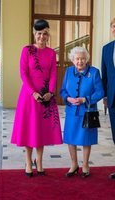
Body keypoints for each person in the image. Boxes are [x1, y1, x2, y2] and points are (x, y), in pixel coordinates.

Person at [11, 19, 62, 177]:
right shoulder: (26, 50)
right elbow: (23, 74)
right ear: (34, 34)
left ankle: (39, 162)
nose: (41, 36)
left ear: (48, 35)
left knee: (41, 130)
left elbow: (53, 74)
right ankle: (28, 161)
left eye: (44, 34)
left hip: (46, 97)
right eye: (38, 33)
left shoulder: (52, 53)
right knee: (29, 129)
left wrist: (51, 92)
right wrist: (33, 92)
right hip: (29, 96)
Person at [60, 46, 104, 178]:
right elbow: (63, 91)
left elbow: (100, 92)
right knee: (70, 138)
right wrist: (68, 98)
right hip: (72, 111)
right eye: (77, 59)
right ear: (73, 60)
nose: (80, 61)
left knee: (86, 139)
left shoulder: (94, 72)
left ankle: (85, 164)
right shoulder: (68, 72)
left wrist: (85, 99)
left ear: (87, 59)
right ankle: (74, 164)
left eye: (83, 59)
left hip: (88, 112)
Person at [101, 17, 115, 179]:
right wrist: (104, 95)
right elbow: (105, 75)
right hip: (112, 98)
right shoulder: (106, 49)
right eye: (113, 26)